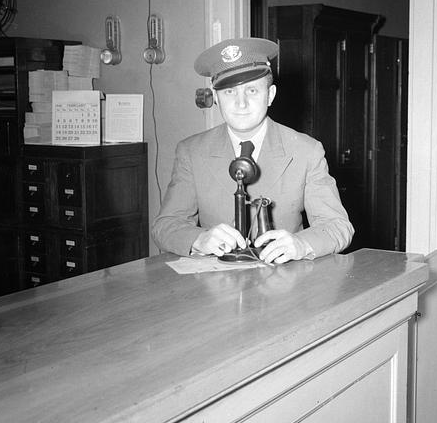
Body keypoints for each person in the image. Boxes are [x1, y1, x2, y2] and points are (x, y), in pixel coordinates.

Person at [152, 37, 354, 264]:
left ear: (270, 95)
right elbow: (165, 225)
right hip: (217, 287)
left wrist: (301, 244)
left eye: (252, 91)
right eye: (229, 92)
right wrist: (199, 239)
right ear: (216, 97)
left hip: (285, 284)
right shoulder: (192, 152)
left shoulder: (306, 151)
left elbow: (338, 226)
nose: (241, 103)